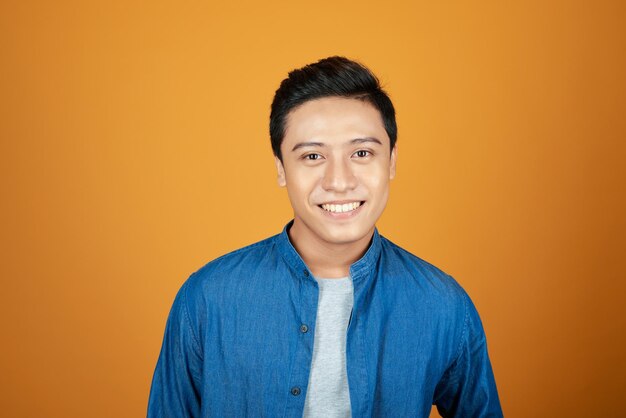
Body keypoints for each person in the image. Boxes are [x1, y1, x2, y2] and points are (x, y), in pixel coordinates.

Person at [147, 56, 503, 417]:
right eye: (313, 155)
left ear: (392, 161)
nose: (339, 181)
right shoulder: (207, 299)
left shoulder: (443, 306)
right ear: (281, 168)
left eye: (362, 153)